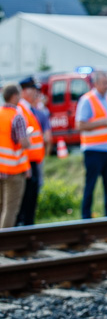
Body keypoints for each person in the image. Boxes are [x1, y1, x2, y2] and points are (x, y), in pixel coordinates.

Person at [76, 71, 107, 219]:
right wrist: (102, 122)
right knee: (91, 185)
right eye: (104, 83)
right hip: (93, 150)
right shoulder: (87, 100)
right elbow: (80, 125)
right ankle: (86, 216)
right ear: (95, 84)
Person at [15, 76, 47, 225]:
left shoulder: (28, 109)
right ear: (24, 91)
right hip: (27, 162)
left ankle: (29, 229)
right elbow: (22, 140)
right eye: (33, 89)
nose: (36, 92)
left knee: (31, 199)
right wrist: (26, 164)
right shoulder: (21, 110)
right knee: (26, 200)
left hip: (33, 161)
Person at [0, 84, 30, 228]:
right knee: (10, 209)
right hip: (13, 169)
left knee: (1, 207)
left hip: (1, 168)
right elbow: (24, 143)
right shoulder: (17, 117)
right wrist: (29, 138)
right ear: (14, 96)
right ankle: (5, 240)